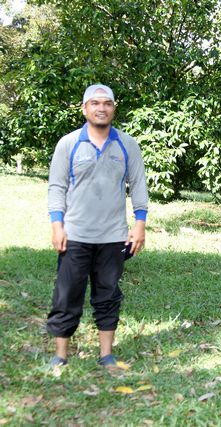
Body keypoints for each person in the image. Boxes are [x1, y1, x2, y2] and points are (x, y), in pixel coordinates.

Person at [46, 84, 149, 368]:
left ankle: (106, 355)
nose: (101, 108)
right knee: (67, 295)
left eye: (107, 103)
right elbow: (56, 187)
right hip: (74, 234)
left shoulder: (127, 144)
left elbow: (138, 185)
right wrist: (57, 225)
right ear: (84, 109)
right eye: (95, 103)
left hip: (113, 236)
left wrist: (140, 224)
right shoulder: (68, 143)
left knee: (108, 295)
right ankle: (60, 356)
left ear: (113, 108)